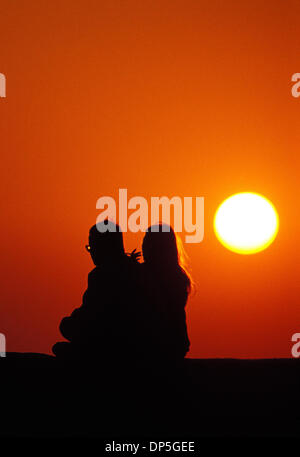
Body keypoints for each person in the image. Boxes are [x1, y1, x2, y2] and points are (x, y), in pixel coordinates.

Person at [52, 220, 141, 360]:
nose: (91, 252)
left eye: (92, 247)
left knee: (65, 326)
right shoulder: (137, 270)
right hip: (136, 344)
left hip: (109, 344)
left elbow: (90, 314)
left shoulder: (100, 276)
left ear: (104, 247)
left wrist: (73, 319)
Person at [140, 224, 192, 363]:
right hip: (175, 344)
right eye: (145, 241)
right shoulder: (178, 276)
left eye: (149, 242)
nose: (144, 247)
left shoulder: (146, 276)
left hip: (158, 346)